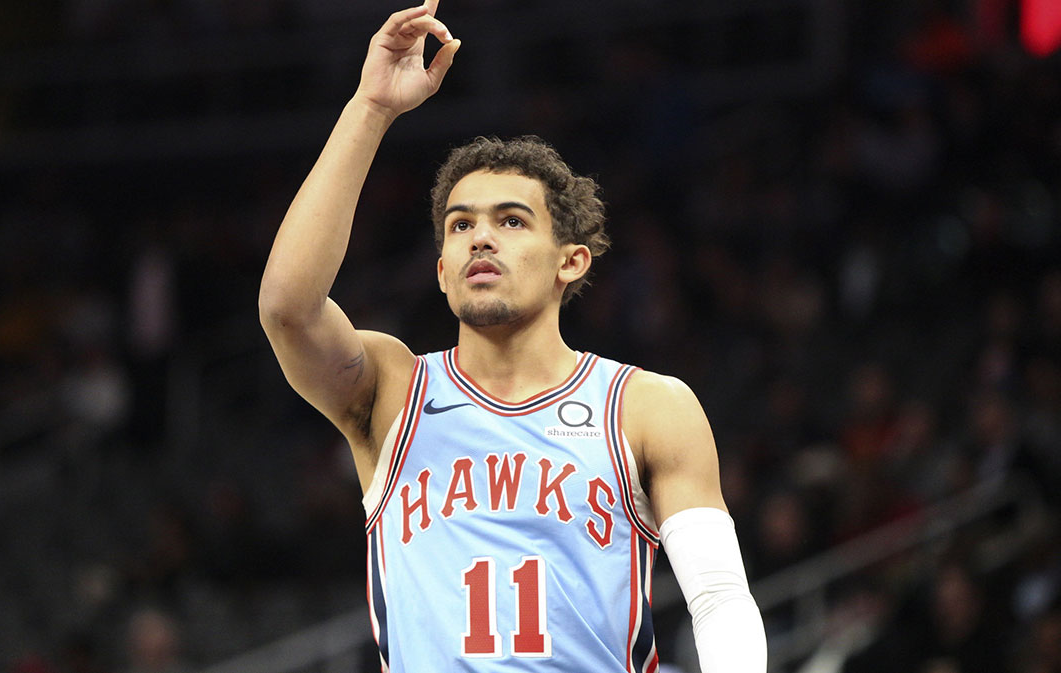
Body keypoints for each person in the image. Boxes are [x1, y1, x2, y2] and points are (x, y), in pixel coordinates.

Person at [257, 2, 767, 670]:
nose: (482, 238)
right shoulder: (391, 391)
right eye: (461, 225)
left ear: (571, 260)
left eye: (512, 220)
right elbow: (289, 308)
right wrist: (371, 108)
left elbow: (721, 597)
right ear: (442, 272)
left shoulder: (646, 406)